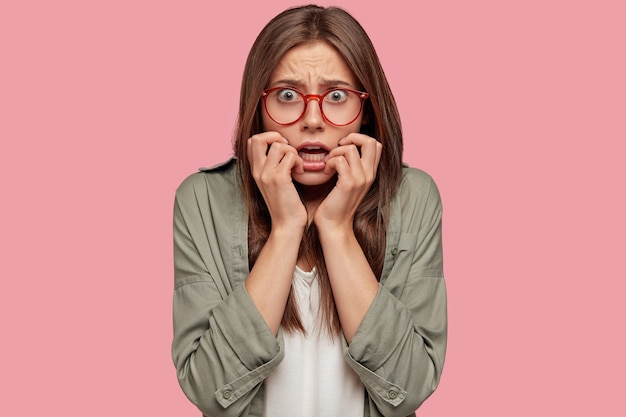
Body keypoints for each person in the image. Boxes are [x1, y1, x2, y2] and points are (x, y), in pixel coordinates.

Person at [172, 5, 447, 417]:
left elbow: (408, 390)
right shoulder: (202, 199)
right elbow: (211, 393)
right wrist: (285, 227)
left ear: (367, 109)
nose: (313, 120)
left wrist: (336, 229)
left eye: (337, 96)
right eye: (287, 95)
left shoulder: (414, 197)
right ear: (258, 107)